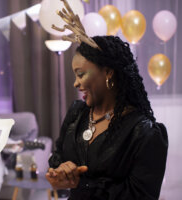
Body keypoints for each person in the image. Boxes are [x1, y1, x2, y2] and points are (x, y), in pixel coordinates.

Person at [46, 1, 168, 199]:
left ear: (108, 73)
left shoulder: (145, 133)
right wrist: (60, 171)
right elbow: (57, 157)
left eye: (81, 74)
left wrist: (82, 183)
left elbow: (140, 196)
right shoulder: (77, 113)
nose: (75, 84)